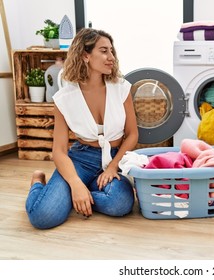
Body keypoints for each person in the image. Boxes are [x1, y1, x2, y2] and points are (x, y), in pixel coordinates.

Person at [25, 28, 139, 229]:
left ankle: (74, 197)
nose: (111, 57)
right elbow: (59, 151)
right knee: (42, 217)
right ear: (85, 55)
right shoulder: (64, 98)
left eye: (112, 51)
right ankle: (39, 182)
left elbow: (132, 135)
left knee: (120, 203)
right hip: (81, 159)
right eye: (104, 51)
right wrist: (75, 183)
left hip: (114, 157)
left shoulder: (122, 88)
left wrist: (113, 166)